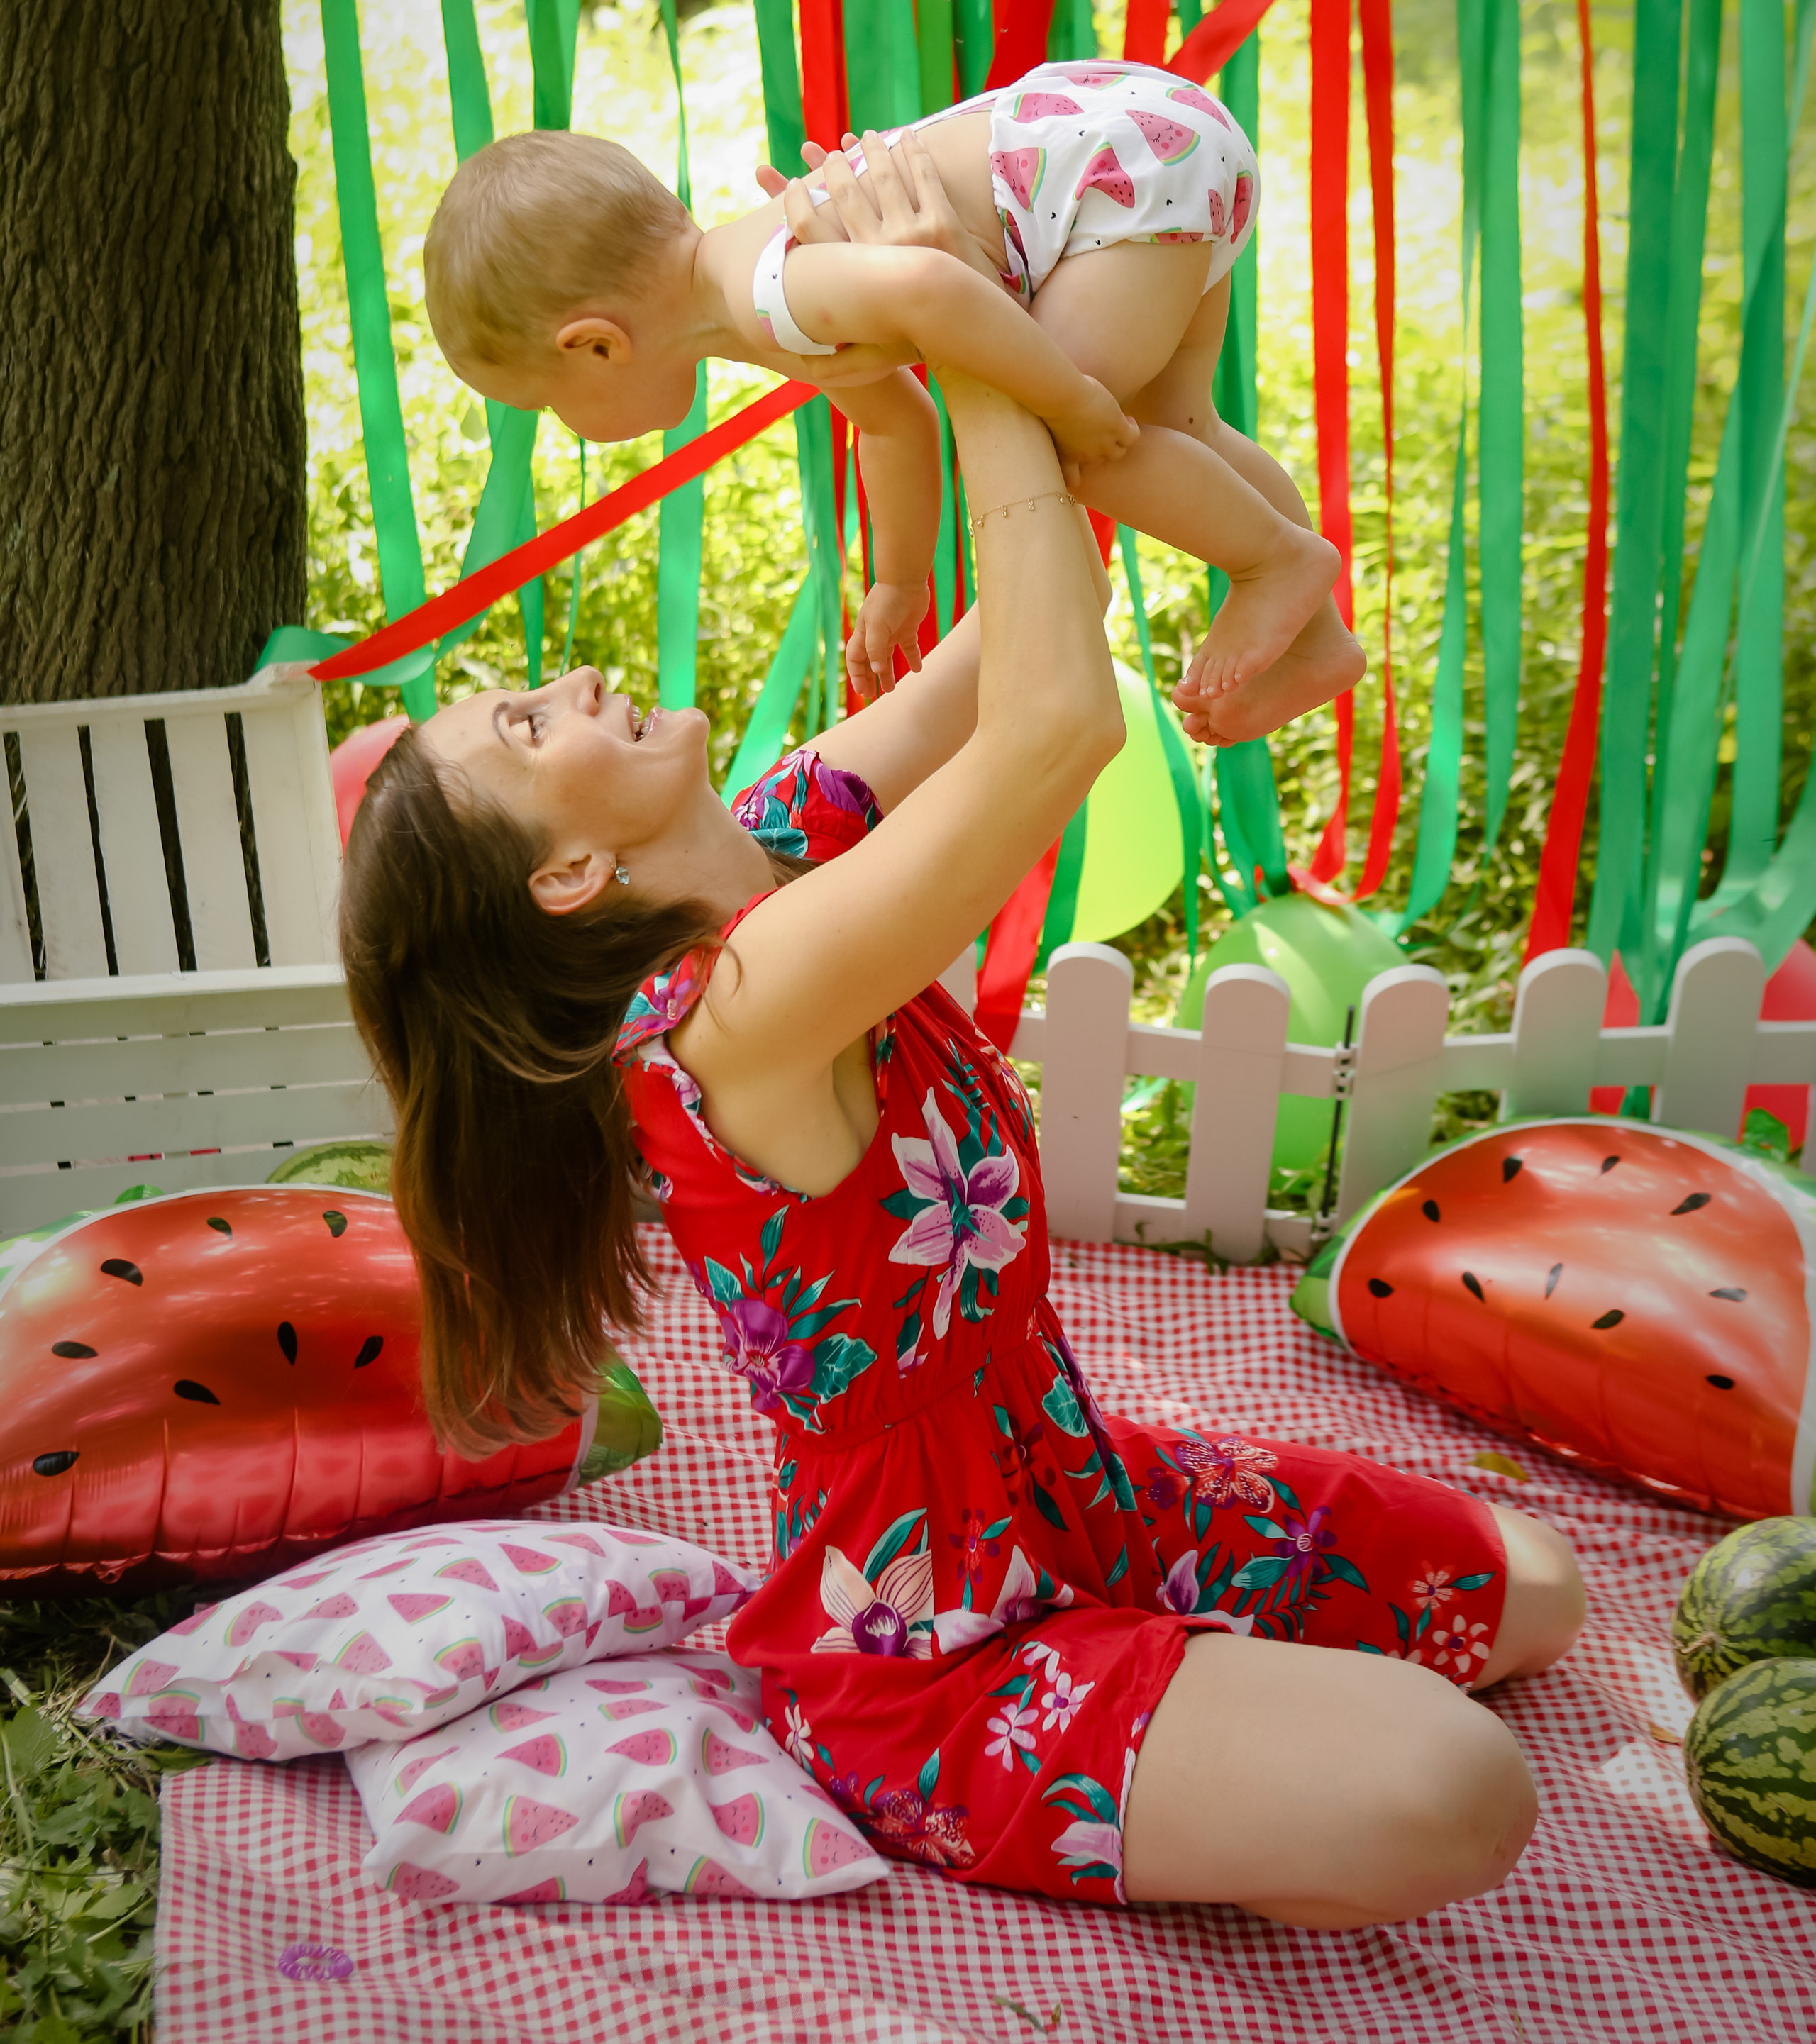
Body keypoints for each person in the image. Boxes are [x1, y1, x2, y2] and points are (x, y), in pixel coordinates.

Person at [343, 134, 1581, 1926]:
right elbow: (1055, 726)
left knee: (1528, 1600)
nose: (569, 680)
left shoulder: (778, 844)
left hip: (1072, 1491)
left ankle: (1171, 1664)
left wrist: (974, 370)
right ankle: (1043, 1724)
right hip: (922, 1638)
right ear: (568, 879)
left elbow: (1021, 623)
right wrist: (983, 326)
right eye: (529, 729)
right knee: (1450, 1788)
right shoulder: (734, 1018)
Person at [420, 62, 1365, 748]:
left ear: (595, 344)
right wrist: (898, 580)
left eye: (548, 407)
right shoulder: (749, 288)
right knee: (1178, 432)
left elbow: (934, 292)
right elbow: (892, 420)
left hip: (1106, 188)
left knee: (1079, 444)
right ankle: (1317, 638)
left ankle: (1277, 562)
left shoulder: (771, 290)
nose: (566, 429)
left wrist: (1068, 399)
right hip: (1150, 146)